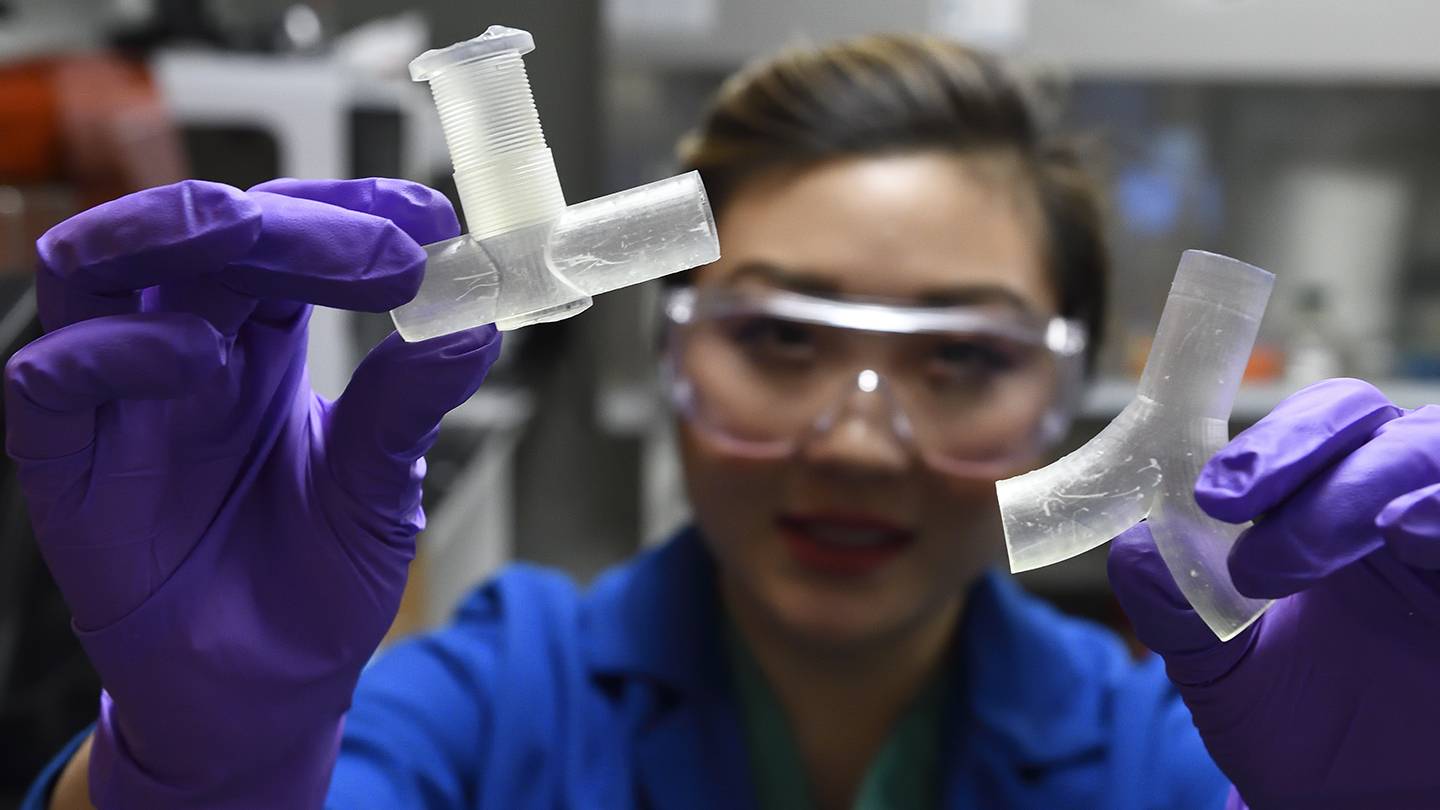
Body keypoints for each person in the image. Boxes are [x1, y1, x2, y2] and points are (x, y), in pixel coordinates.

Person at [11, 33, 1440, 810]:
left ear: (1060, 396)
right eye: (778, 336)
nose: (856, 437)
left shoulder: (1164, 763)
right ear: (670, 355)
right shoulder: (490, 709)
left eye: (958, 357)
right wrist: (206, 770)